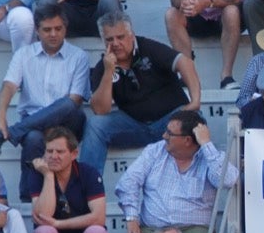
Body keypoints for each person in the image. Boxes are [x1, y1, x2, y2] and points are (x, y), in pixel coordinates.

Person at [0, 3, 88, 194]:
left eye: (58, 29)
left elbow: (76, 100)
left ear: (65, 29)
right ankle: (29, 194)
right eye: (47, 30)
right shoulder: (24, 54)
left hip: (68, 124)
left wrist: (33, 124)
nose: (53, 34)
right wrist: (0, 114)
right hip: (33, 125)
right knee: (33, 138)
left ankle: (10, 133)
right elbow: (9, 86)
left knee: (67, 104)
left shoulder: (79, 56)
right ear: (37, 31)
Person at [80, 11, 202, 173]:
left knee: (196, 119)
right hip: (134, 126)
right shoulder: (103, 67)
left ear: (132, 35)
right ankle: (89, 189)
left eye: (120, 37)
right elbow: (100, 110)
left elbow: (184, 62)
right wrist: (109, 72)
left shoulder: (149, 48)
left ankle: (196, 178)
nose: (115, 43)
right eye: (110, 39)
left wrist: (195, 101)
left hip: (169, 122)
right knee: (95, 124)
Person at [115, 111, 237, 233]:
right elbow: (128, 181)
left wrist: (206, 144)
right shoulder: (155, 151)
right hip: (153, 230)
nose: (164, 136)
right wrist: (132, 218)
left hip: (192, 232)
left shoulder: (210, 158)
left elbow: (229, 180)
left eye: (170, 133)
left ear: (187, 140)